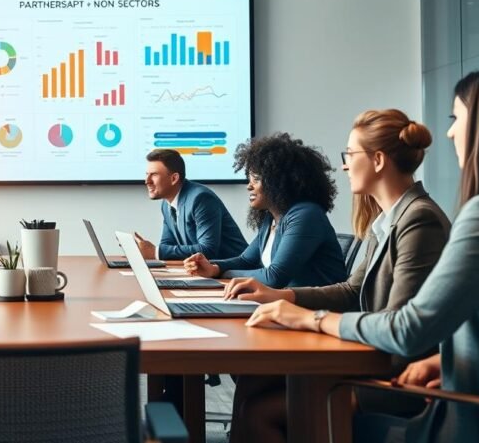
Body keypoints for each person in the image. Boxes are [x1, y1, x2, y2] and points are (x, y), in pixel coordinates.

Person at [247, 64, 479, 443]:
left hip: (468, 415)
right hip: (475, 394)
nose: (449, 132)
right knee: (261, 387)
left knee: (265, 409)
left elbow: (407, 329)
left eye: (457, 118)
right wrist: (444, 361)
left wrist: (312, 319)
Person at [220, 110, 451, 443]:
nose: (344, 166)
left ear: (378, 160)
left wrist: (310, 318)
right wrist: (283, 297)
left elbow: (399, 326)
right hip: (371, 355)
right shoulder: (388, 219)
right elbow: (352, 289)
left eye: (350, 155)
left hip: (397, 373)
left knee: (259, 412)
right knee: (253, 379)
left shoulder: (418, 221)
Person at [184, 132, 347, 288]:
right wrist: (214, 268)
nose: (249, 186)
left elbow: (274, 277)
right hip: (283, 302)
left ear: (278, 181)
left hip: (313, 306)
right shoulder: (272, 218)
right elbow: (246, 261)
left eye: (256, 179)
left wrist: (224, 274)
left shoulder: (305, 215)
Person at [134, 148, 247, 261]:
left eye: (154, 175)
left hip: (236, 269)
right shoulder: (166, 204)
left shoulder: (201, 198)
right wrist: (152, 252)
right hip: (202, 268)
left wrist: (155, 252)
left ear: (174, 178)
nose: (147, 181)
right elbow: (168, 245)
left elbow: (208, 250)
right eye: (147, 174)